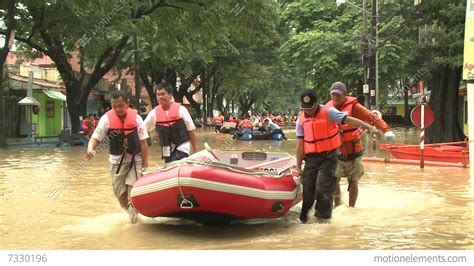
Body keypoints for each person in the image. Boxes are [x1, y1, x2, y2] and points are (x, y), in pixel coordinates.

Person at [295, 89, 382, 223]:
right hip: (311, 158)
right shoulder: (301, 120)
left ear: (316, 104)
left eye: (310, 109)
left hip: (329, 156)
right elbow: (300, 145)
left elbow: (350, 120)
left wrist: (370, 128)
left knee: (323, 187)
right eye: (305, 109)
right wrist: (298, 166)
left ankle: (323, 221)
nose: (308, 112)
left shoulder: (329, 112)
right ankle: (304, 220)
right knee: (308, 188)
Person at [326, 82, 395, 207]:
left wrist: (386, 130)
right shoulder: (327, 109)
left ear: (345, 95)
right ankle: (337, 206)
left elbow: (372, 117)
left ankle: (352, 208)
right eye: (333, 95)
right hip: (335, 151)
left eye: (338, 95)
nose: (336, 98)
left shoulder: (354, 107)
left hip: (354, 151)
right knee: (333, 180)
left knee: (353, 181)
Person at [87, 90, 149, 224]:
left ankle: (134, 220)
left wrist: (145, 164)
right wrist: (90, 148)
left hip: (135, 159)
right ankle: (129, 213)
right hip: (116, 161)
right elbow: (95, 138)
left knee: (133, 189)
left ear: (127, 103)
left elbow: (144, 144)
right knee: (119, 193)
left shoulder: (137, 119)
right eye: (114, 106)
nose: (117, 109)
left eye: (120, 105)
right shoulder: (106, 119)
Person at [144, 83, 197, 163]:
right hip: (166, 149)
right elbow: (143, 130)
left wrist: (195, 149)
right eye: (158, 94)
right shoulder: (154, 113)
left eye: (163, 94)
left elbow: (191, 130)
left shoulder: (181, 110)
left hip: (182, 147)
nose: (160, 97)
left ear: (170, 94)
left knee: (176, 166)